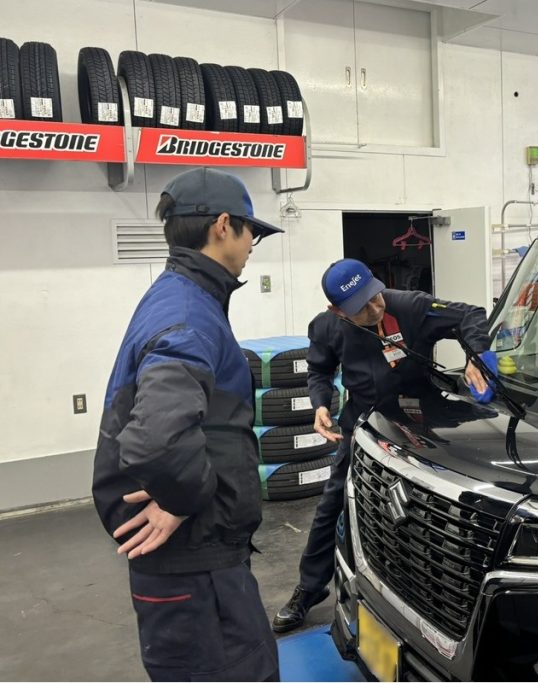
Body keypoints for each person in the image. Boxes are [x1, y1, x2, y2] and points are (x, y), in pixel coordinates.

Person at [92, 168, 283, 682]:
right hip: (197, 569)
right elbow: (157, 438)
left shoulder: (179, 295)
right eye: (251, 231)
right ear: (222, 225)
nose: (252, 244)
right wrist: (181, 498)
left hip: (193, 566)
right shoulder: (188, 314)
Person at [272, 258, 493, 633]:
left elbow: (470, 314)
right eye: (362, 307)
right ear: (338, 311)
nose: (375, 308)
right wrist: (320, 404)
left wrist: (477, 355)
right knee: (332, 504)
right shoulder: (326, 327)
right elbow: (319, 370)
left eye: (375, 296)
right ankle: (309, 588)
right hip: (364, 425)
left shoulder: (411, 306)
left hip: (421, 424)